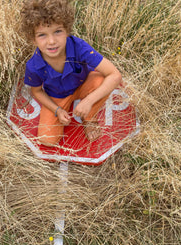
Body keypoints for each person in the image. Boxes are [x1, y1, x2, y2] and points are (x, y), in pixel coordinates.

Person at [20, 0, 122, 146]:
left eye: (58, 31)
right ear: (33, 38)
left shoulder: (79, 47)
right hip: (57, 97)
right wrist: (57, 110)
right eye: (42, 35)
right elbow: (37, 92)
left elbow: (115, 75)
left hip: (83, 86)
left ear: (67, 30)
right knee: (47, 140)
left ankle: (90, 118)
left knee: (101, 81)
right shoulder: (34, 66)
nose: (51, 41)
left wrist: (88, 101)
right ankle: (65, 108)